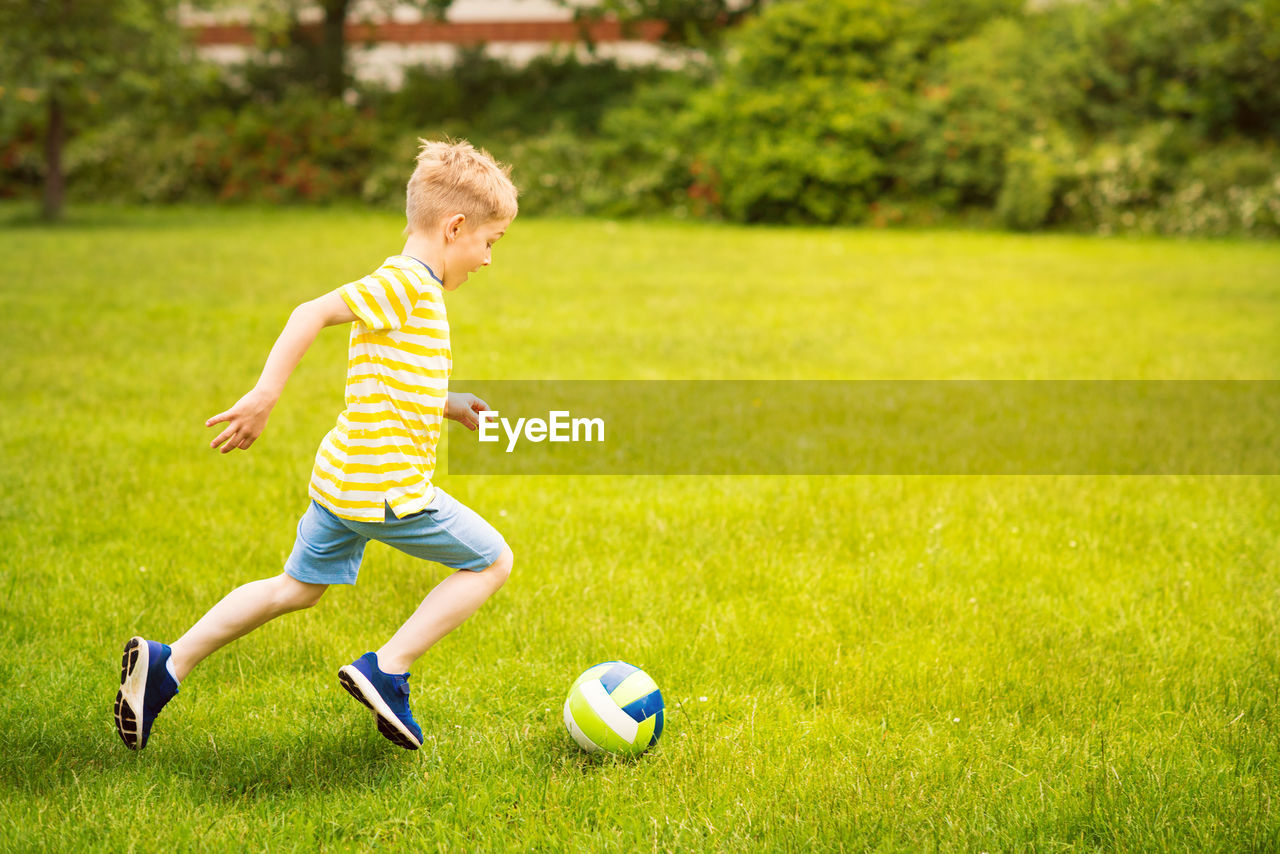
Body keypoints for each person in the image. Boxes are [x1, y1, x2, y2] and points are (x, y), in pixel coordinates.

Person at [113, 139, 518, 752]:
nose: (488, 260)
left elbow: (397, 378)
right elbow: (311, 312)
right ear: (455, 226)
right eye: (488, 243)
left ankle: (167, 666)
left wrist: (449, 403)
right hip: (385, 486)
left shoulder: (414, 292)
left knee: (294, 589)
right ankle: (389, 667)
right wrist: (264, 394)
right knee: (491, 561)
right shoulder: (407, 283)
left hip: (343, 478)